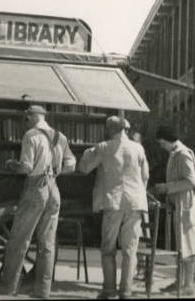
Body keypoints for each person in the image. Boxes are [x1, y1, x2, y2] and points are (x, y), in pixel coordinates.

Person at [0, 104, 76, 299]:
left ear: (32, 117)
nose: (24, 122)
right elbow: (71, 164)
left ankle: (9, 288)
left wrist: (11, 165)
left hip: (36, 188)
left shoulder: (31, 136)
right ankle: (43, 292)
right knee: (47, 243)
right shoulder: (60, 136)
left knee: (19, 239)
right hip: (54, 189)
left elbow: (26, 167)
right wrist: (57, 171)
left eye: (26, 118)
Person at [78, 116, 149, 299]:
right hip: (135, 202)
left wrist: (87, 152)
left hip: (114, 201)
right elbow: (145, 176)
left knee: (108, 247)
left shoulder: (103, 147)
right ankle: (126, 291)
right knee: (129, 249)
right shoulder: (138, 148)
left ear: (109, 129)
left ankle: (109, 289)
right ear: (125, 129)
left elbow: (84, 168)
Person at [153, 125, 195, 297]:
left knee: (187, 246)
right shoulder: (175, 154)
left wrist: (167, 187)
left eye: (161, 143)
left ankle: (187, 284)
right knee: (183, 246)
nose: (161, 146)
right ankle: (181, 282)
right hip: (181, 204)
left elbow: (190, 181)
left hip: (187, 205)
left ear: (168, 140)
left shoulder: (182, 154)